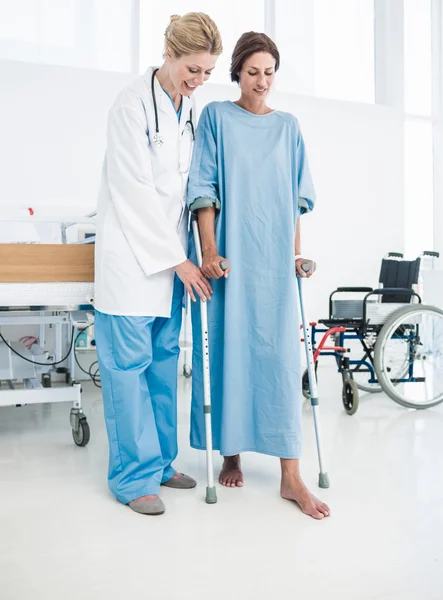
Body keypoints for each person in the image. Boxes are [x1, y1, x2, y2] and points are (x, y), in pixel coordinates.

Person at [187, 32, 330, 519]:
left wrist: (295, 254)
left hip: (272, 260)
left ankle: (292, 476)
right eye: (253, 72)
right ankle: (231, 451)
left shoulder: (288, 127)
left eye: (269, 72)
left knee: (280, 362)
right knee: (228, 354)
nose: (262, 81)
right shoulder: (216, 118)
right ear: (237, 73)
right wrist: (209, 251)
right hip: (230, 257)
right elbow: (203, 188)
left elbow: (294, 201)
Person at [94, 13, 222, 516]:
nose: (198, 81)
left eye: (207, 73)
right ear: (169, 54)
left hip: (172, 263)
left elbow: (186, 190)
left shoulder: (187, 109)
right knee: (128, 370)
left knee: (164, 367)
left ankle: (162, 462)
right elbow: (135, 193)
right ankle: (131, 478)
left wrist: (193, 254)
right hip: (133, 260)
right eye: (193, 69)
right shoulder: (130, 105)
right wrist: (179, 260)